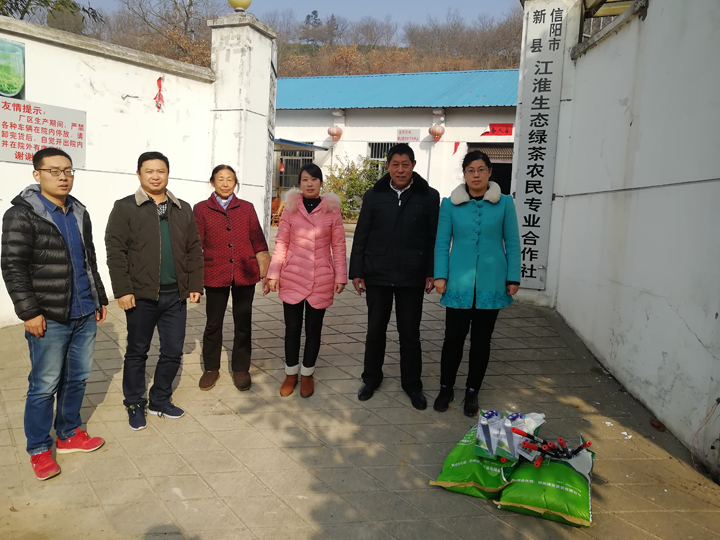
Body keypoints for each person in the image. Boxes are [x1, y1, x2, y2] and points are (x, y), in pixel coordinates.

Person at [1, 148, 108, 480]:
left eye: (68, 170)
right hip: (48, 315)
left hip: (84, 310)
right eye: (54, 171)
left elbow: (88, 258)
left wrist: (99, 297)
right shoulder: (21, 215)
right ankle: (38, 448)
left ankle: (69, 433)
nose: (63, 177)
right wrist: (29, 312)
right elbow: (13, 266)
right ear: (37, 174)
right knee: (44, 384)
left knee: (78, 377)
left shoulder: (78, 211)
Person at [105, 151, 204, 430]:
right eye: (149, 171)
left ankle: (160, 399)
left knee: (173, 350)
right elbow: (115, 251)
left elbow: (194, 248)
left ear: (168, 174)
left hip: (175, 295)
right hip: (141, 295)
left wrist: (195, 284)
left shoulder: (182, 208)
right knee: (137, 351)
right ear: (139, 174)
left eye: (160, 171)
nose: (155, 176)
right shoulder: (125, 207)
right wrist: (123, 290)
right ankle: (134, 402)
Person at [349, 143, 439, 410]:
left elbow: (434, 238)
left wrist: (431, 271)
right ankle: (371, 379)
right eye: (395, 164)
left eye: (405, 164)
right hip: (377, 273)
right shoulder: (373, 195)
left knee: (409, 333)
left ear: (413, 166)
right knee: (375, 330)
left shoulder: (429, 196)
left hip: (412, 275)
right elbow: (361, 235)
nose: (400, 170)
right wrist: (357, 271)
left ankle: (412, 385)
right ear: (387, 166)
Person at [433, 150, 521, 416]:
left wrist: (513, 276)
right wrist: (440, 275)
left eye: (481, 169)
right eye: (470, 170)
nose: (476, 175)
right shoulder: (450, 204)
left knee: (482, 341)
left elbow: (513, 242)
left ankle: (472, 391)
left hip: (491, 282)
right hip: (458, 282)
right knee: (453, 339)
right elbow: (441, 243)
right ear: (464, 174)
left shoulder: (505, 203)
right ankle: (446, 388)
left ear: (489, 172)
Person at [266, 163, 346, 398]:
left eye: (314, 179)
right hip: (292, 276)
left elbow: (339, 245)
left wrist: (341, 276)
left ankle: (308, 373)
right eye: (305, 180)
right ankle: (291, 373)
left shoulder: (332, 210)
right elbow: (281, 243)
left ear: (321, 183)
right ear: (299, 183)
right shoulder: (290, 209)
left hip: (321, 278)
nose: (309, 184)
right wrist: (273, 274)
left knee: (313, 330)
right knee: (292, 329)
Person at [193, 164, 270, 391]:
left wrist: (265, 270)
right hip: (214, 272)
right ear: (212, 182)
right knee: (213, 323)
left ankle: (241, 368)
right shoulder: (201, 209)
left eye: (230, 179)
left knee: (243, 323)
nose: (225, 183)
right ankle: (211, 368)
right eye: (220, 179)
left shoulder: (246, 208)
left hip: (244, 272)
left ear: (235, 183)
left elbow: (258, 239)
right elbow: (196, 243)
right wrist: (193, 279)